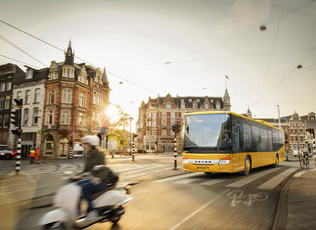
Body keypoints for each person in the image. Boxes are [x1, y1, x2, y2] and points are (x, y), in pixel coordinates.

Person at [77, 135, 107, 222]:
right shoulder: (88, 155)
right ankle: (78, 210)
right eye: (85, 144)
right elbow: (85, 170)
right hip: (93, 180)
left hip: (102, 182)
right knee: (77, 186)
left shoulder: (100, 155)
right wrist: (76, 176)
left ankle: (92, 211)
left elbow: (103, 169)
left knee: (84, 187)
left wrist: (98, 178)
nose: (85, 146)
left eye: (87, 144)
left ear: (92, 145)